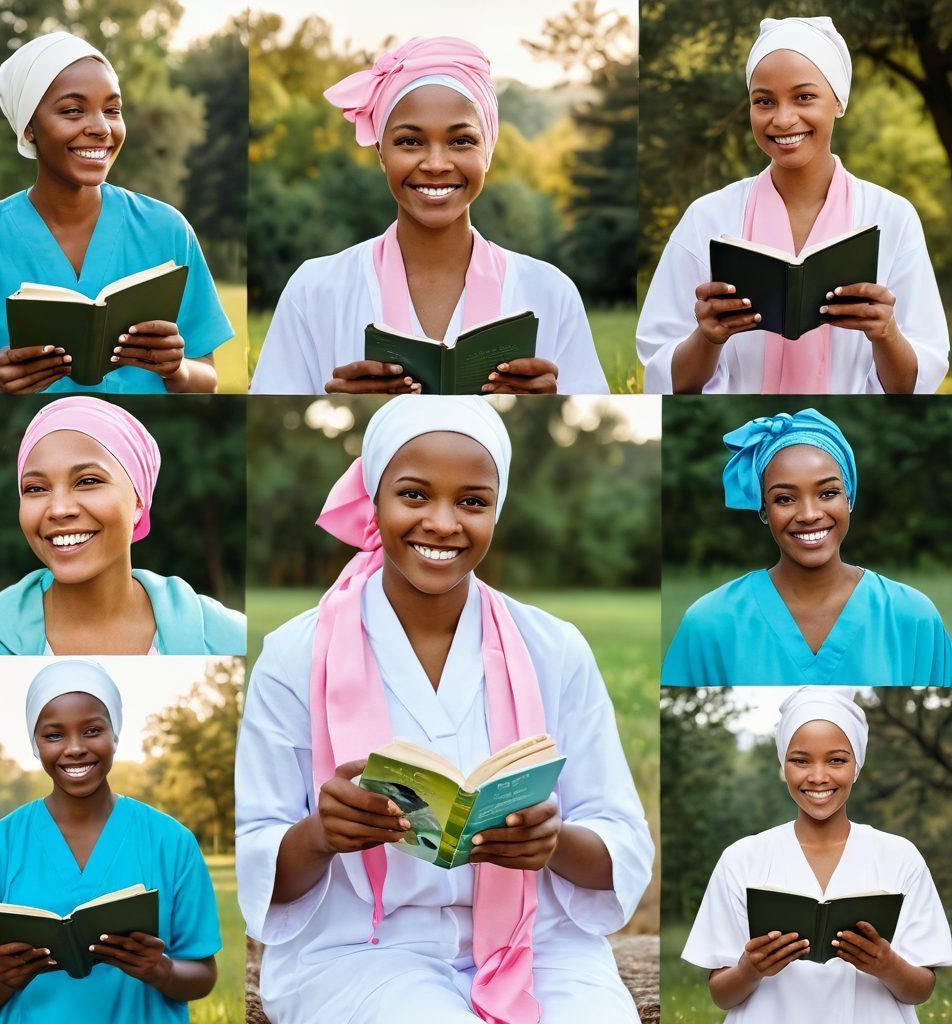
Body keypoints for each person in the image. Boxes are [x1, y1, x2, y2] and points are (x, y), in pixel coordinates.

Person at [235, 396, 653, 1023]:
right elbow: (259, 853)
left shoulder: (554, 649)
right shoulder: (294, 656)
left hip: (539, 947)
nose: (441, 522)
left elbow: (620, 842)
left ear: (496, 512)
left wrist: (552, 841)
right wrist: (323, 835)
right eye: (413, 494)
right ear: (374, 499)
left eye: (472, 501)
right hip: (360, 954)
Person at [249, 37, 609, 396]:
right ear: (380, 152)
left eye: (461, 141)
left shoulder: (551, 292)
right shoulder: (314, 290)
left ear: (489, 151)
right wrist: (340, 407)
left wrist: (543, 406)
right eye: (410, 141)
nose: (436, 164)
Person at [637, 16, 948, 394]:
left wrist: (885, 333)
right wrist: (708, 337)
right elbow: (667, 379)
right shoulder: (706, 218)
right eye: (764, 101)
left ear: (838, 101)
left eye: (804, 97)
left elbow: (912, 386)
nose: (783, 119)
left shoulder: (893, 217)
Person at [0, 31, 233, 395]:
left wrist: (178, 370)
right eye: (73, 110)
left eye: (112, 110)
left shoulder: (168, 230)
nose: (101, 128)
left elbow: (207, 377)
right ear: (29, 128)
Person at [0, 660, 221, 1022]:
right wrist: (5, 978)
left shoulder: (172, 842)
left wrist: (160, 970)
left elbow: (203, 976)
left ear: (115, 733)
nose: (74, 748)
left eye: (92, 730)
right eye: (54, 735)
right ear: (35, 743)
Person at [681, 688, 952, 1021]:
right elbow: (721, 994)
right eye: (800, 760)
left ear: (857, 766)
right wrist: (750, 969)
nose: (819, 776)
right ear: (783, 765)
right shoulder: (742, 859)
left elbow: (922, 989)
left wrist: (887, 964)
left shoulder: (900, 857)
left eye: (836, 760)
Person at [0, 396, 245, 655]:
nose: (60, 509)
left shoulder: (227, 638)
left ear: (138, 501)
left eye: (88, 481)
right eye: (36, 488)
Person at [662, 409, 952, 685]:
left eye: (828, 493)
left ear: (849, 498)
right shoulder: (709, 623)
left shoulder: (913, 617)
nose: (809, 514)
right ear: (763, 509)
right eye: (784, 499)